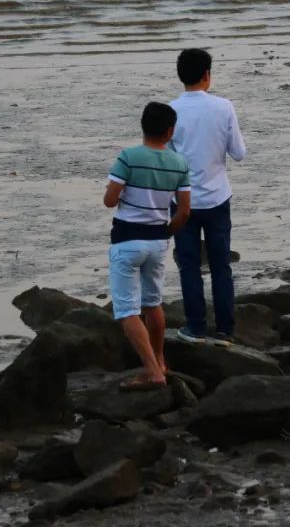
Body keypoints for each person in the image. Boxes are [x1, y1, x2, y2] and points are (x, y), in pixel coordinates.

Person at [103, 102, 191, 390]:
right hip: (157, 241)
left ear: (142, 125)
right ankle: (160, 360)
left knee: (127, 310)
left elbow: (109, 201)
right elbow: (184, 212)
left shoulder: (128, 157)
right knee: (153, 303)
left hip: (127, 240)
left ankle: (153, 372)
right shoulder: (179, 163)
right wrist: (166, 232)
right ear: (170, 131)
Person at [169, 48, 247, 344]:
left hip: (183, 200)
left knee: (189, 265)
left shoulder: (171, 110)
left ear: (181, 76)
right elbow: (239, 153)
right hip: (217, 197)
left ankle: (196, 327)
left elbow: (168, 159)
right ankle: (225, 330)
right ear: (207, 75)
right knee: (220, 265)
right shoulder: (223, 107)